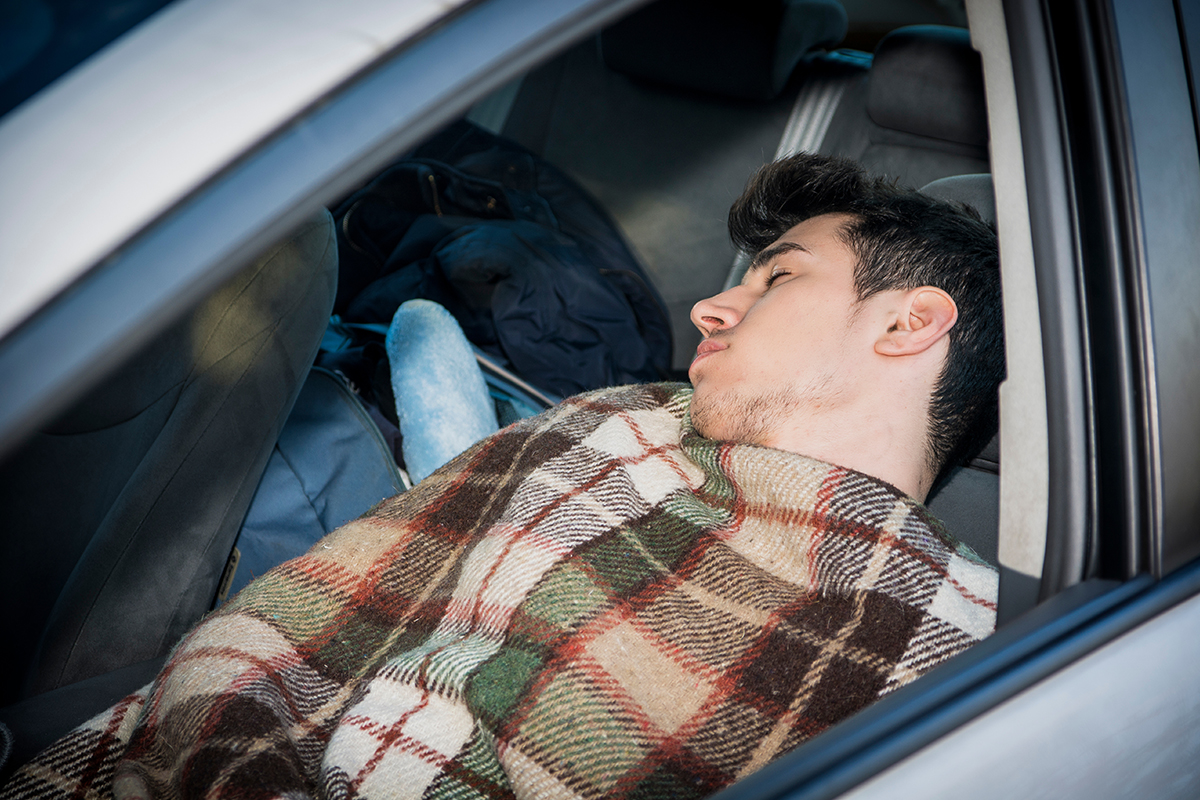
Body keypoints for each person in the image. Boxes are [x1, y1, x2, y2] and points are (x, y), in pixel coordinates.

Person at [1, 153, 1003, 800]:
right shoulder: (612, 420)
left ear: (907, 322)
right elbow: (315, 617)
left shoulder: (956, 658)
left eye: (775, 277)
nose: (708, 306)